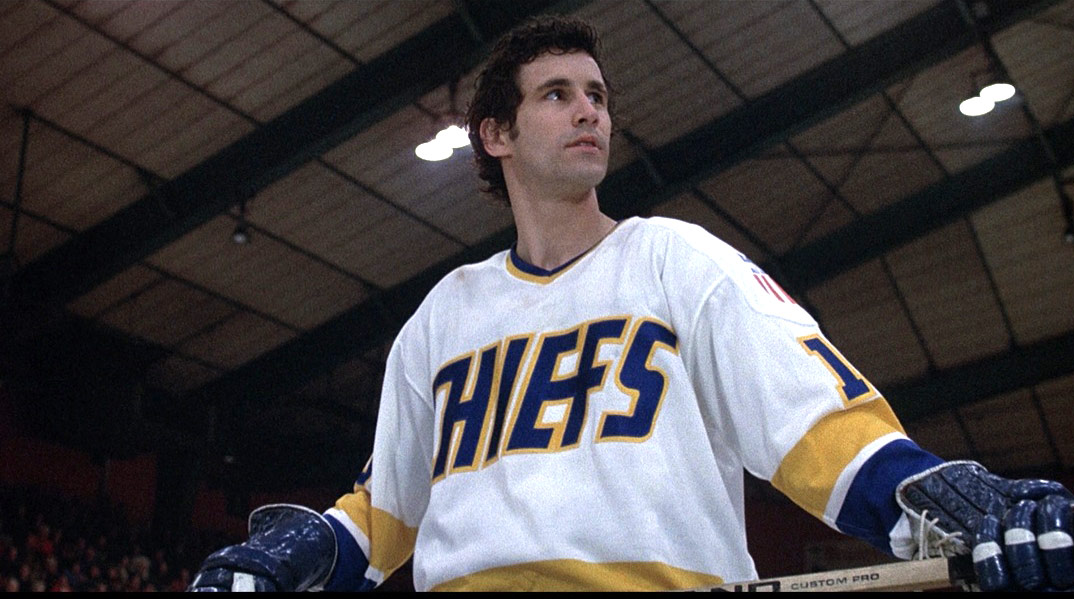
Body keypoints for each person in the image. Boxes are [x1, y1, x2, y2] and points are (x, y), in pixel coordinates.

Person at [190, 15, 1074, 592]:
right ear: (495, 134)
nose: (591, 113)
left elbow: (817, 427)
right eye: (558, 94)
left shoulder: (676, 261)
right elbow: (388, 511)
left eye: (599, 97)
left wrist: (946, 500)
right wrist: (295, 556)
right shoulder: (441, 316)